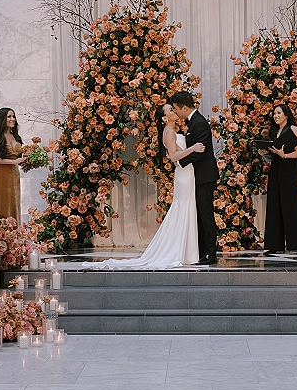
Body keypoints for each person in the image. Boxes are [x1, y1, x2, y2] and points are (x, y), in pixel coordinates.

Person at [82, 103, 204, 270]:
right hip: (183, 173)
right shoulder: (168, 133)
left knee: (187, 209)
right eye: (170, 110)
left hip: (189, 173)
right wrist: (193, 149)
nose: (174, 111)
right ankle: (178, 251)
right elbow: (174, 156)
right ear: (164, 117)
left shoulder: (173, 131)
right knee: (182, 209)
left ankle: (187, 252)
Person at [171, 91, 220, 265]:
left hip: (204, 175)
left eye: (176, 109)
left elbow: (201, 152)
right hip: (198, 176)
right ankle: (202, 251)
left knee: (206, 214)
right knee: (200, 213)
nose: (175, 112)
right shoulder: (193, 122)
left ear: (184, 107)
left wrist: (179, 162)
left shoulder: (198, 123)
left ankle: (210, 253)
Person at [261, 104, 297, 255]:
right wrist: (264, 152)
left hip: (288, 168)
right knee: (274, 204)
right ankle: (274, 244)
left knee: (290, 205)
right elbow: (273, 153)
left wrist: (284, 155)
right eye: (274, 113)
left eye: (279, 113)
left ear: (286, 115)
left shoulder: (293, 129)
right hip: (276, 169)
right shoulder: (275, 132)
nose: (276, 116)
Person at [0, 107, 25, 222]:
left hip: (13, 175)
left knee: (13, 202)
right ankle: (1, 235)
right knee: (2, 202)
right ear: (2, 119)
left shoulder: (16, 136)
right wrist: (14, 162)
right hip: (0, 174)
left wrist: (29, 160)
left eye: (13, 116)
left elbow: (18, 158)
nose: (12, 119)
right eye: (9, 116)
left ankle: (15, 234)